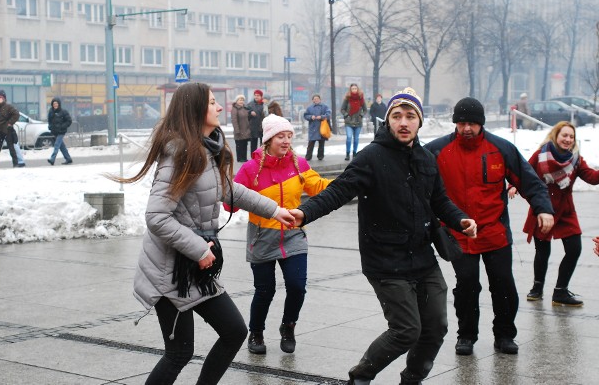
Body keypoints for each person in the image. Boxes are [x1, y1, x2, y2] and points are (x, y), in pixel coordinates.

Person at [109, 83, 295, 384]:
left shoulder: (205, 149)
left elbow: (227, 189)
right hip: (170, 273)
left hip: (192, 268)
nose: (219, 108)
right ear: (195, 110)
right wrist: (198, 248)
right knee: (179, 353)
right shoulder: (180, 153)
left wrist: (273, 210)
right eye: (211, 103)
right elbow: (156, 216)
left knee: (234, 331)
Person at [290, 87, 477, 385]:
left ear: (420, 121)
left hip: (423, 258)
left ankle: (412, 379)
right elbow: (339, 190)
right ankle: (360, 377)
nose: (404, 122)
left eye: (410, 116)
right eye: (397, 116)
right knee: (406, 330)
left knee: (436, 327)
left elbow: (439, 199)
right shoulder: (372, 157)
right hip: (385, 261)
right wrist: (305, 212)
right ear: (388, 120)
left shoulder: (426, 157)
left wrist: (460, 218)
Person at [424, 97, 554, 357]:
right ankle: (466, 335)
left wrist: (543, 208)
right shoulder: (437, 151)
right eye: (461, 123)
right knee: (467, 285)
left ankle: (505, 334)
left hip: (495, 234)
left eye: (472, 123)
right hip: (459, 235)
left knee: (504, 285)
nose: (466, 128)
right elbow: (412, 179)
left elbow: (530, 181)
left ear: (481, 124)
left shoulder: (501, 149)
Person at [225, 114, 330, 355]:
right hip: (262, 237)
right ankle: (256, 333)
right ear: (269, 139)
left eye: (289, 136)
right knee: (265, 290)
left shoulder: (299, 164)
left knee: (297, 286)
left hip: (293, 235)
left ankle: (288, 326)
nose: (286, 141)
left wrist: (349, 182)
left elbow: (321, 186)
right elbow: (230, 202)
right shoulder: (251, 169)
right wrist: (228, 194)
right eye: (280, 136)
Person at [510, 121, 599, 307]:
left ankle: (560, 292)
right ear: (556, 135)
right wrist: (512, 185)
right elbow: (524, 172)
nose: (568, 139)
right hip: (543, 208)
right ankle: (537, 288)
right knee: (542, 251)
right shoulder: (541, 155)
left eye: (571, 137)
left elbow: (591, 178)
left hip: (566, 210)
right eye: (564, 135)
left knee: (574, 249)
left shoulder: (576, 159)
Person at [340, 83, 367, 160]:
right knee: (349, 137)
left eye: (355, 88)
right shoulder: (347, 98)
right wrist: (346, 115)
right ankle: (347, 153)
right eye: (353, 89)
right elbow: (342, 109)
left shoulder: (361, 98)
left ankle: (354, 153)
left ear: (357, 89)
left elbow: (365, 110)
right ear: (350, 89)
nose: (354, 90)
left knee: (356, 139)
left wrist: (361, 115)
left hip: (358, 122)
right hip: (349, 122)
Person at [303, 94, 331, 161]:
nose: (316, 100)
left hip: (322, 128)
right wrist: (310, 117)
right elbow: (305, 115)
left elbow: (328, 114)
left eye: (317, 99)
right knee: (311, 144)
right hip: (313, 128)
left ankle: (320, 156)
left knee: (321, 143)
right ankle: (308, 157)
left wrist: (321, 117)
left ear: (320, 99)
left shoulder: (325, 107)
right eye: (314, 99)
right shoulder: (309, 108)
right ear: (312, 100)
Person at [47, 98, 73, 165]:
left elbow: (69, 121)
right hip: (54, 131)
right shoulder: (51, 111)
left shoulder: (64, 112)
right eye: (54, 104)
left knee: (56, 145)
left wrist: (62, 126)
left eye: (56, 103)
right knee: (62, 146)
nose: (55, 105)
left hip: (61, 131)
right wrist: (50, 126)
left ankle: (52, 159)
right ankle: (68, 158)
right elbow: (49, 121)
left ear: (59, 104)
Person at [231, 94, 251, 163]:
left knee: (244, 144)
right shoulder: (234, 108)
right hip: (239, 130)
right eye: (240, 100)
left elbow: (248, 118)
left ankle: (244, 158)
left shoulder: (245, 108)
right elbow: (234, 120)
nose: (241, 101)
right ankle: (239, 158)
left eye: (242, 100)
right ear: (236, 101)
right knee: (239, 145)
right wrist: (237, 130)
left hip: (245, 129)